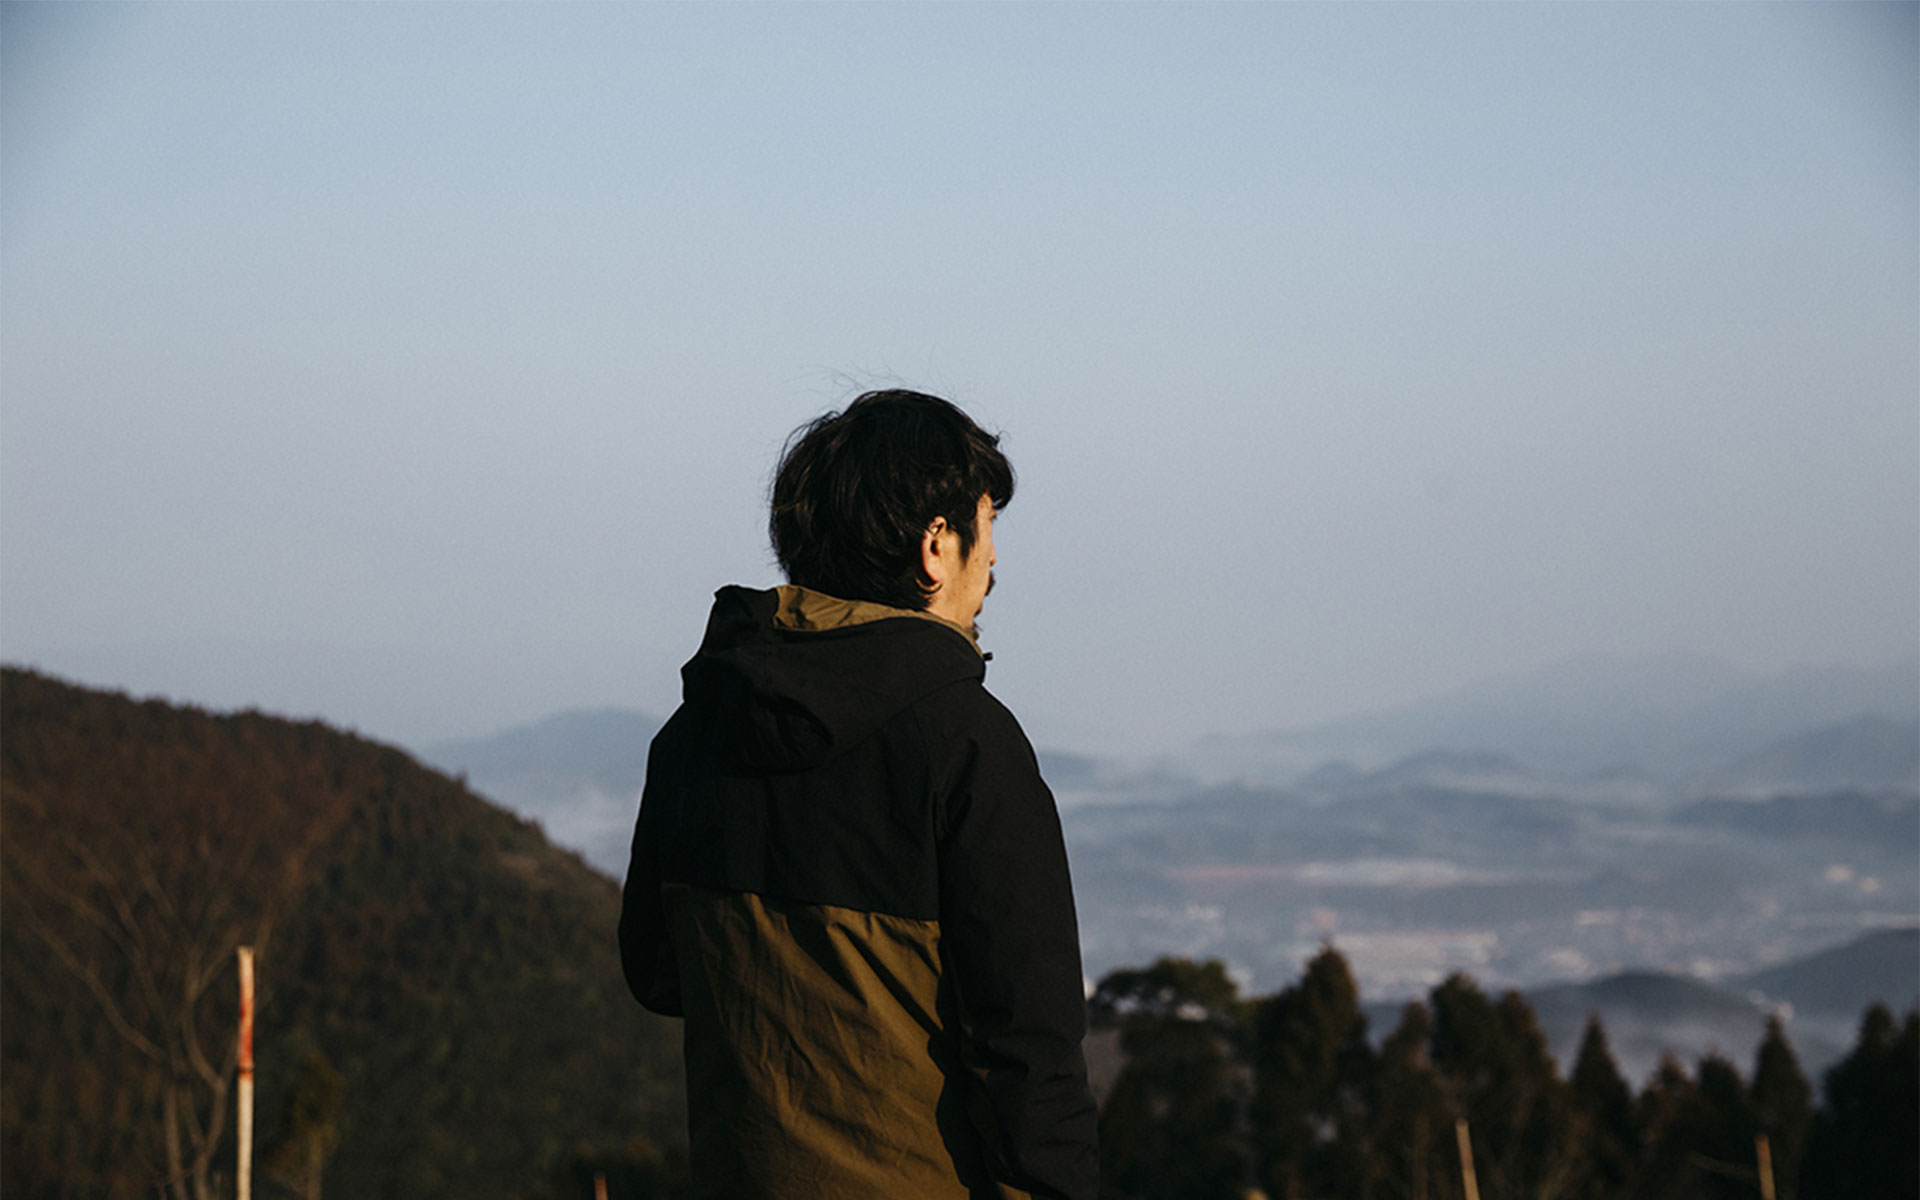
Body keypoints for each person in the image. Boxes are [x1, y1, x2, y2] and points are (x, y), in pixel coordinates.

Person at [620, 390, 1098, 1200]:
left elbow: (658, 972)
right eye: (986, 528)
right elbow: (1031, 1058)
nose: (993, 562)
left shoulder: (696, 732)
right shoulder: (966, 744)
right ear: (935, 546)